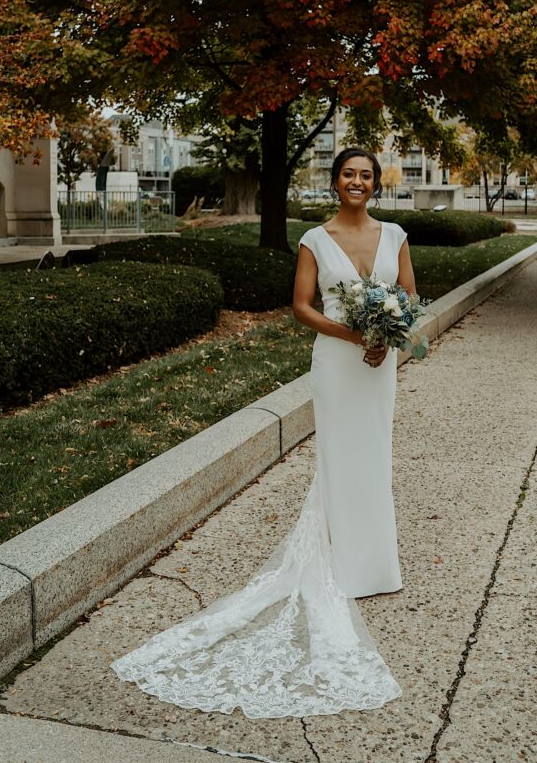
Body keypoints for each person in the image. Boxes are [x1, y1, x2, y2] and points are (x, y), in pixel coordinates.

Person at [110, 148, 416, 718]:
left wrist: (387, 333)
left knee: (374, 455)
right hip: (337, 361)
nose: (357, 181)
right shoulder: (314, 241)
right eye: (348, 174)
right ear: (334, 182)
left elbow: (409, 296)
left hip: (380, 365)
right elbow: (301, 307)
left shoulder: (396, 234)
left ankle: (376, 565)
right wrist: (355, 337)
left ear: (376, 183)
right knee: (338, 457)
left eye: (366, 175)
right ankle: (340, 565)